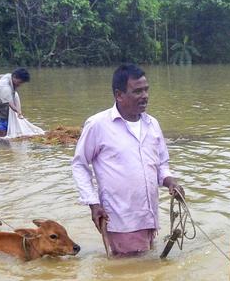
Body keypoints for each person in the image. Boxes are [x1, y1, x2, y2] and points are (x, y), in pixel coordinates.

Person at [71, 64, 184, 257]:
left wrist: (170, 182)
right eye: (137, 91)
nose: (145, 96)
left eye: (146, 89)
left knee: (140, 272)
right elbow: (80, 165)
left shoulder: (152, 124)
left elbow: (161, 164)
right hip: (119, 219)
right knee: (130, 273)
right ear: (119, 95)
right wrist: (93, 204)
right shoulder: (98, 125)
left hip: (148, 218)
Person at [0, 68, 29, 136]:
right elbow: (11, 105)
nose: (20, 85)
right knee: (2, 134)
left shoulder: (8, 76)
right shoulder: (5, 88)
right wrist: (19, 113)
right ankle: (1, 144)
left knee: (7, 130)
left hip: (3, 107)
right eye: (19, 82)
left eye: (22, 83)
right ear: (14, 77)